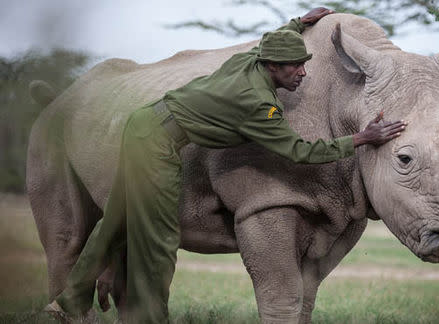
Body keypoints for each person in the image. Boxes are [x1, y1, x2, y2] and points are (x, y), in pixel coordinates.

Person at [44, 7, 407, 323]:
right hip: (157, 145)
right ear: (274, 66)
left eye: (304, 64)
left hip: (142, 123)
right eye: (296, 66)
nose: (303, 73)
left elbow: (269, 40)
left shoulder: (247, 62)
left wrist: (299, 23)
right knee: (159, 241)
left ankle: (69, 302)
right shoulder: (259, 104)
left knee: (115, 223)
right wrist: (362, 138)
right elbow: (300, 151)